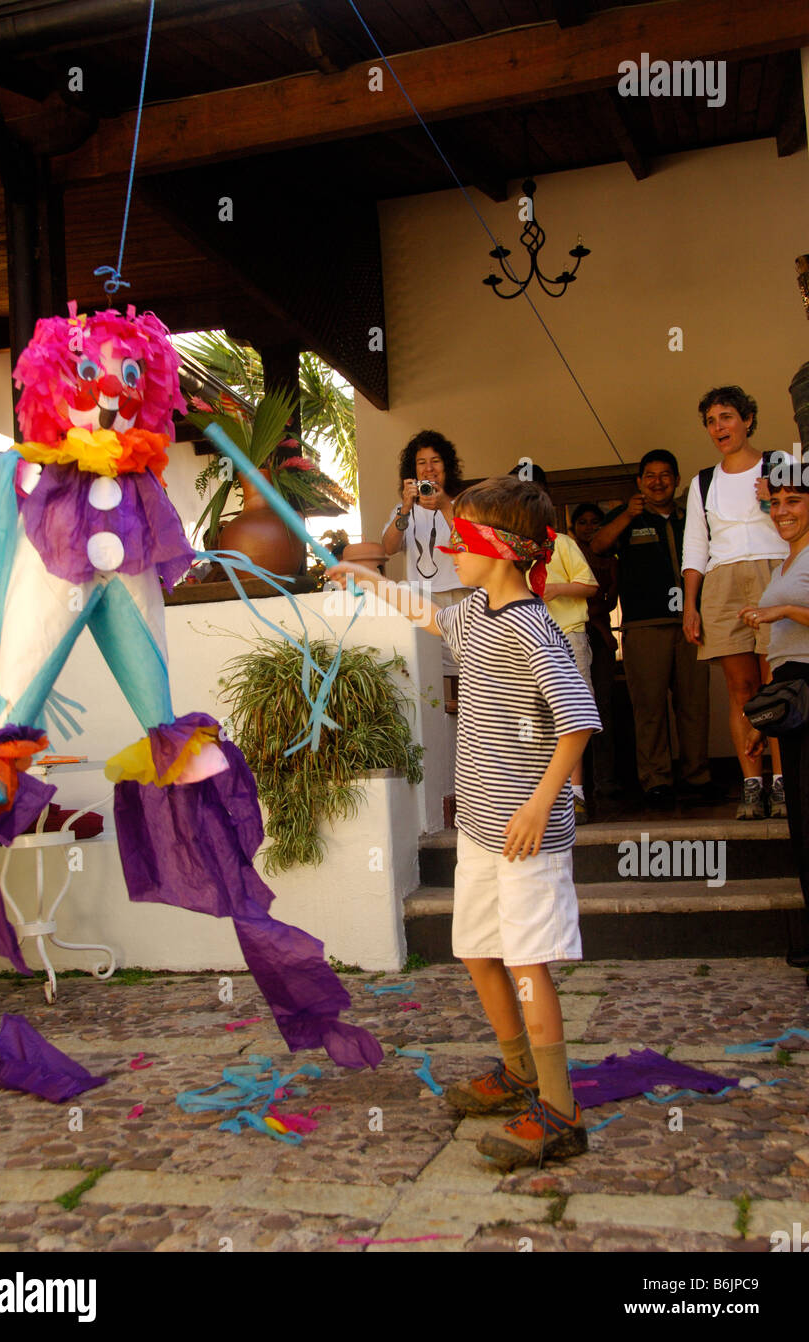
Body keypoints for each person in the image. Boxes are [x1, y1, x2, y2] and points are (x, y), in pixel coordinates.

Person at [330, 476, 601, 1169]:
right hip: (480, 827)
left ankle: (561, 1110)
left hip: (526, 833)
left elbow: (577, 724)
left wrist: (543, 804)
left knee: (527, 962)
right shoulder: (476, 610)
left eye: (463, 537)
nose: (451, 547)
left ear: (504, 549)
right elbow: (425, 613)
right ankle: (516, 1071)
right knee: (479, 950)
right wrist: (363, 580)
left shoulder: (535, 628)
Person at [682, 388, 787, 819]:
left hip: (775, 571)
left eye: (726, 417)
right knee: (740, 690)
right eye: (711, 421)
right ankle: (751, 785)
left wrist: (774, 498)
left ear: (747, 419)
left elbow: (800, 523)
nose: (718, 427)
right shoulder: (703, 481)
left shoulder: (779, 464)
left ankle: (783, 783)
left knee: (778, 683)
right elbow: (695, 546)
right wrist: (690, 604)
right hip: (722, 582)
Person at [589, 450, 713, 805]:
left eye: (666, 475)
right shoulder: (627, 515)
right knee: (649, 707)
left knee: (694, 705)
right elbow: (598, 545)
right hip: (644, 625)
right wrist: (628, 513)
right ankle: (656, 780)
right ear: (640, 481)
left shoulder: (690, 517)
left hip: (691, 622)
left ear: (675, 480)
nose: (658, 481)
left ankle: (697, 777)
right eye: (651, 476)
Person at [741, 458, 809, 969]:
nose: (782, 510)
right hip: (789, 696)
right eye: (777, 502)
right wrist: (762, 721)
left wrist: (781, 610)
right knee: (802, 824)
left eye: (795, 501)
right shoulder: (787, 562)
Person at [517, 465, 597, 823]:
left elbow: (590, 586)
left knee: (572, 715)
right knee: (534, 718)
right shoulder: (511, 551)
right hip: (527, 639)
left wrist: (555, 589)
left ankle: (576, 795)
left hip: (568, 635)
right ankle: (544, 797)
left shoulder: (561, 542)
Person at [381, 430, 467, 688]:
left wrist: (444, 505)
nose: (429, 468)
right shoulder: (402, 509)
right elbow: (388, 547)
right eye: (421, 462)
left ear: (447, 466)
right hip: (422, 599)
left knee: (467, 670)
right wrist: (406, 507)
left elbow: (470, 542)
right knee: (428, 669)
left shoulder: (463, 503)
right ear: (413, 470)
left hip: (461, 596)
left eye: (435, 461)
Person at [570, 502, 620, 797]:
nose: (589, 527)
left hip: (599, 643)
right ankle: (575, 786)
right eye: (583, 522)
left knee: (600, 709)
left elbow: (608, 600)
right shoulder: (565, 552)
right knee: (567, 711)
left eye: (595, 523)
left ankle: (604, 781)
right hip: (574, 633)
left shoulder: (611, 560)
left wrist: (601, 627)